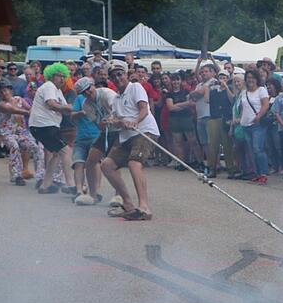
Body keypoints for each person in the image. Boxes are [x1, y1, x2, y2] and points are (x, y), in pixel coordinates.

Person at [100, 64, 161, 221]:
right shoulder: (116, 99)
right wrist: (112, 121)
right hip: (126, 136)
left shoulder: (135, 87)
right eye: (114, 76)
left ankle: (144, 207)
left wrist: (134, 121)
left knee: (134, 163)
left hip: (145, 131)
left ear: (126, 74)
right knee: (107, 165)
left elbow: (144, 109)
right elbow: (117, 119)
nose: (118, 78)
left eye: (120, 74)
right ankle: (128, 204)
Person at [28, 63, 73, 194]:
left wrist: (79, 112)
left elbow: (66, 110)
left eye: (64, 76)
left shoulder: (57, 91)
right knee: (65, 151)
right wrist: (69, 107)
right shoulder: (49, 86)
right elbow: (51, 104)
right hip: (43, 125)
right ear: (52, 76)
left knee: (56, 153)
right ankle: (71, 184)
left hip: (45, 126)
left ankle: (45, 185)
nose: (62, 79)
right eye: (60, 76)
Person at [73, 76, 117, 205]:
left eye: (88, 88)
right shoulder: (86, 105)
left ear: (93, 86)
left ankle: (118, 196)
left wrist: (112, 118)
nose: (87, 92)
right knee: (91, 161)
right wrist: (103, 123)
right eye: (83, 92)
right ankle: (93, 195)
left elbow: (118, 110)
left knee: (115, 160)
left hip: (120, 130)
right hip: (105, 132)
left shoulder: (107, 93)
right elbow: (98, 125)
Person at [0, 82, 42, 186]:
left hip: (22, 132)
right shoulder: (1, 105)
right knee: (14, 146)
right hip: (8, 133)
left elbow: (29, 107)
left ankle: (40, 176)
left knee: (35, 148)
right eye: (1, 92)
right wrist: (27, 113)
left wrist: (32, 110)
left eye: (5, 90)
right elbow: (12, 110)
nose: (4, 93)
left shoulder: (19, 99)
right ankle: (17, 175)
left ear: (10, 90)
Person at [239, 68, 270, 184]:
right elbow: (242, 107)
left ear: (257, 79)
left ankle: (263, 173)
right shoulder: (244, 92)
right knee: (251, 151)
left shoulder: (261, 90)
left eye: (252, 78)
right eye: (248, 78)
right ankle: (257, 173)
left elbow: (265, 105)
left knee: (258, 149)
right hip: (245, 124)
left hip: (257, 124)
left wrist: (259, 116)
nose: (250, 80)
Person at [205, 68, 235, 178]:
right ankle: (212, 168)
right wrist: (208, 87)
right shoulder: (213, 91)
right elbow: (206, 100)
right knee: (213, 146)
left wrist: (226, 87)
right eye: (221, 77)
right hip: (214, 118)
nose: (222, 79)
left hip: (225, 119)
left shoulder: (230, 89)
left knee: (227, 145)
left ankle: (230, 169)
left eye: (224, 77)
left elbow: (232, 100)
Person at [165, 73, 198, 170]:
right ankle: (182, 163)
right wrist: (185, 104)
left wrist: (177, 105)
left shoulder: (186, 92)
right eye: (174, 80)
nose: (175, 82)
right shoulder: (169, 94)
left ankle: (198, 161)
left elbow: (192, 104)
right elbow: (170, 108)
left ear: (180, 81)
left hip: (186, 117)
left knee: (192, 141)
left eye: (177, 80)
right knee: (178, 141)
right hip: (174, 119)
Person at [230, 73, 255, 180]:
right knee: (239, 149)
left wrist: (239, 119)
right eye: (235, 82)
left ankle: (250, 171)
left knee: (247, 149)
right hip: (237, 126)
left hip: (244, 125)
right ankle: (244, 170)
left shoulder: (246, 94)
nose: (236, 83)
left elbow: (244, 109)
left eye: (238, 81)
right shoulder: (238, 95)